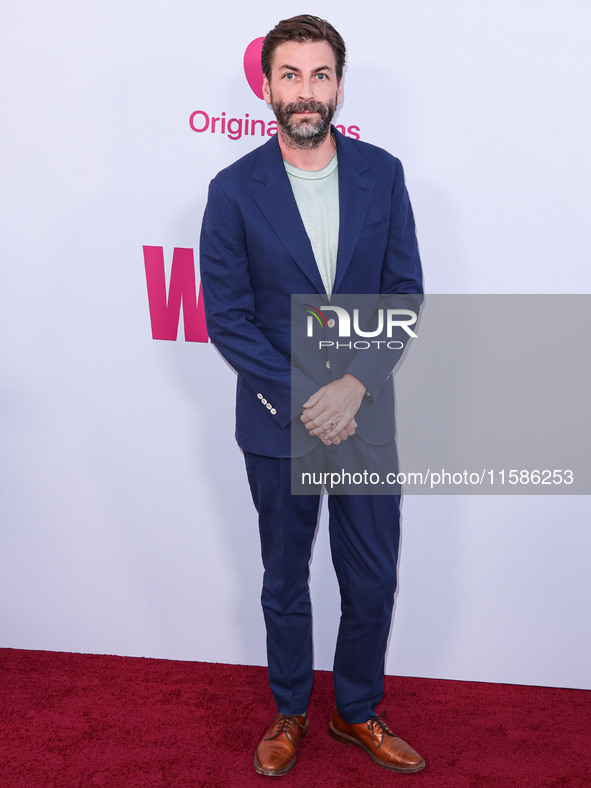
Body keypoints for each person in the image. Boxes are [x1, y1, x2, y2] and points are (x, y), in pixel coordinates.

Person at [199, 14, 425, 776]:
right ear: (266, 86)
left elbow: (405, 293)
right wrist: (308, 398)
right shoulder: (232, 191)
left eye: (319, 75)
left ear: (337, 85)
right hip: (278, 419)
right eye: (290, 75)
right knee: (283, 575)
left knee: (371, 576)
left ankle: (356, 709)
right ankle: (290, 710)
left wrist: (355, 385)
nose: (305, 91)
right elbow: (227, 319)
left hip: (366, 414)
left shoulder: (382, 174)